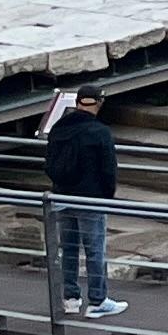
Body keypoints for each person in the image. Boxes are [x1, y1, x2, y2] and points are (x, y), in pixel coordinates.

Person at [42, 89, 125, 318]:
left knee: (68, 249)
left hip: (61, 196)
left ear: (77, 102)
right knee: (94, 250)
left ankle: (71, 298)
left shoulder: (59, 128)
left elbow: (49, 162)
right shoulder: (100, 132)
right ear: (99, 103)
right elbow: (109, 170)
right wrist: (107, 196)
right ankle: (97, 300)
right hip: (90, 198)